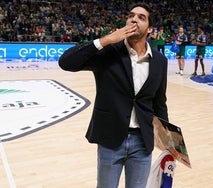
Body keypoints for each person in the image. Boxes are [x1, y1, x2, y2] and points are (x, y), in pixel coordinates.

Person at [58, 3, 169, 188]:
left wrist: (168, 142)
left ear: (150, 28)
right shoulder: (108, 52)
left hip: (143, 142)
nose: (134, 19)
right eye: (131, 15)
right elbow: (66, 62)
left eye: (141, 17)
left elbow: (159, 102)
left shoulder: (160, 61)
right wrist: (105, 40)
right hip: (111, 140)